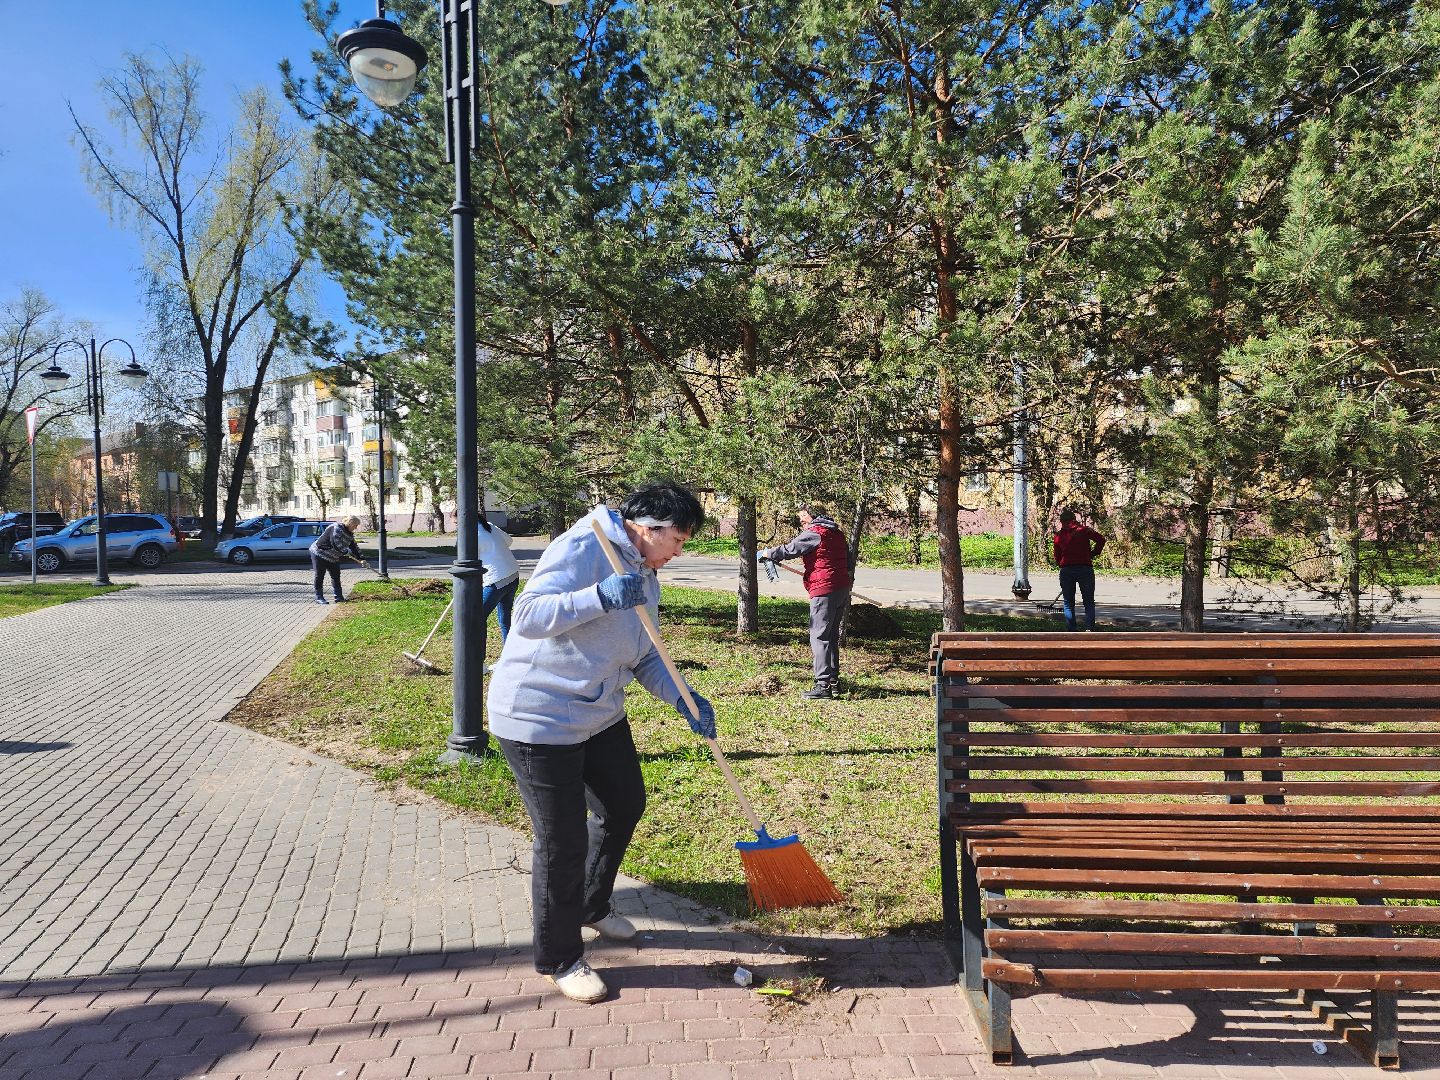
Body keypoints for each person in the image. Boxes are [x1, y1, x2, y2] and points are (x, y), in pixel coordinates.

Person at [486, 482, 713, 1004]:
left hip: (599, 711)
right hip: (538, 716)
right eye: (677, 539)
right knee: (561, 840)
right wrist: (598, 597)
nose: (679, 551)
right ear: (646, 528)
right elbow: (528, 617)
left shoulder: (645, 571)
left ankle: (592, 905)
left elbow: (643, 652)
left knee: (624, 803)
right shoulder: (584, 547)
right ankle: (559, 956)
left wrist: (683, 697)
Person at [758, 505, 853, 700]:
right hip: (841, 588)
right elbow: (847, 559)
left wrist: (768, 554)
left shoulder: (815, 532)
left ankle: (823, 685)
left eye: (804, 517)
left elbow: (790, 549)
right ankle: (834, 682)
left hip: (824, 590)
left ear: (814, 516)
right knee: (831, 636)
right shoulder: (837, 533)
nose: (802, 522)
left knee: (819, 636)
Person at [1052, 509, 1106, 631]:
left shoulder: (1058, 536)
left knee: (1068, 603)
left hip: (1066, 570)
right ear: (1074, 519)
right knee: (1088, 601)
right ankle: (1089, 629)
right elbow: (1101, 540)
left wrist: (1062, 564)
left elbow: (1057, 556)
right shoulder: (1084, 531)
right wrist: (1094, 553)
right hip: (1085, 568)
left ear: (1061, 521)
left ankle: (1072, 630)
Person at [477, 508, 520, 643]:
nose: (456, 526)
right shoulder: (489, 526)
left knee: (477, 618)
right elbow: (509, 541)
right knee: (505, 620)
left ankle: (478, 660)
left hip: (497, 581)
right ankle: (510, 656)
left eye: (455, 523)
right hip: (512, 575)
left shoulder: (471, 534)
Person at [309, 515, 363, 605]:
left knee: (336, 576)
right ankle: (319, 597)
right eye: (355, 525)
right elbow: (335, 542)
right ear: (350, 523)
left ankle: (338, 597)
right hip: (319, 553)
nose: (356, 528)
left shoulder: (350, 534)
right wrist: (345, 551)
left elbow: (354, 547)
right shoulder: (336, 527)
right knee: (320, 575)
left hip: (333, 557)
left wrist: (362, 559)